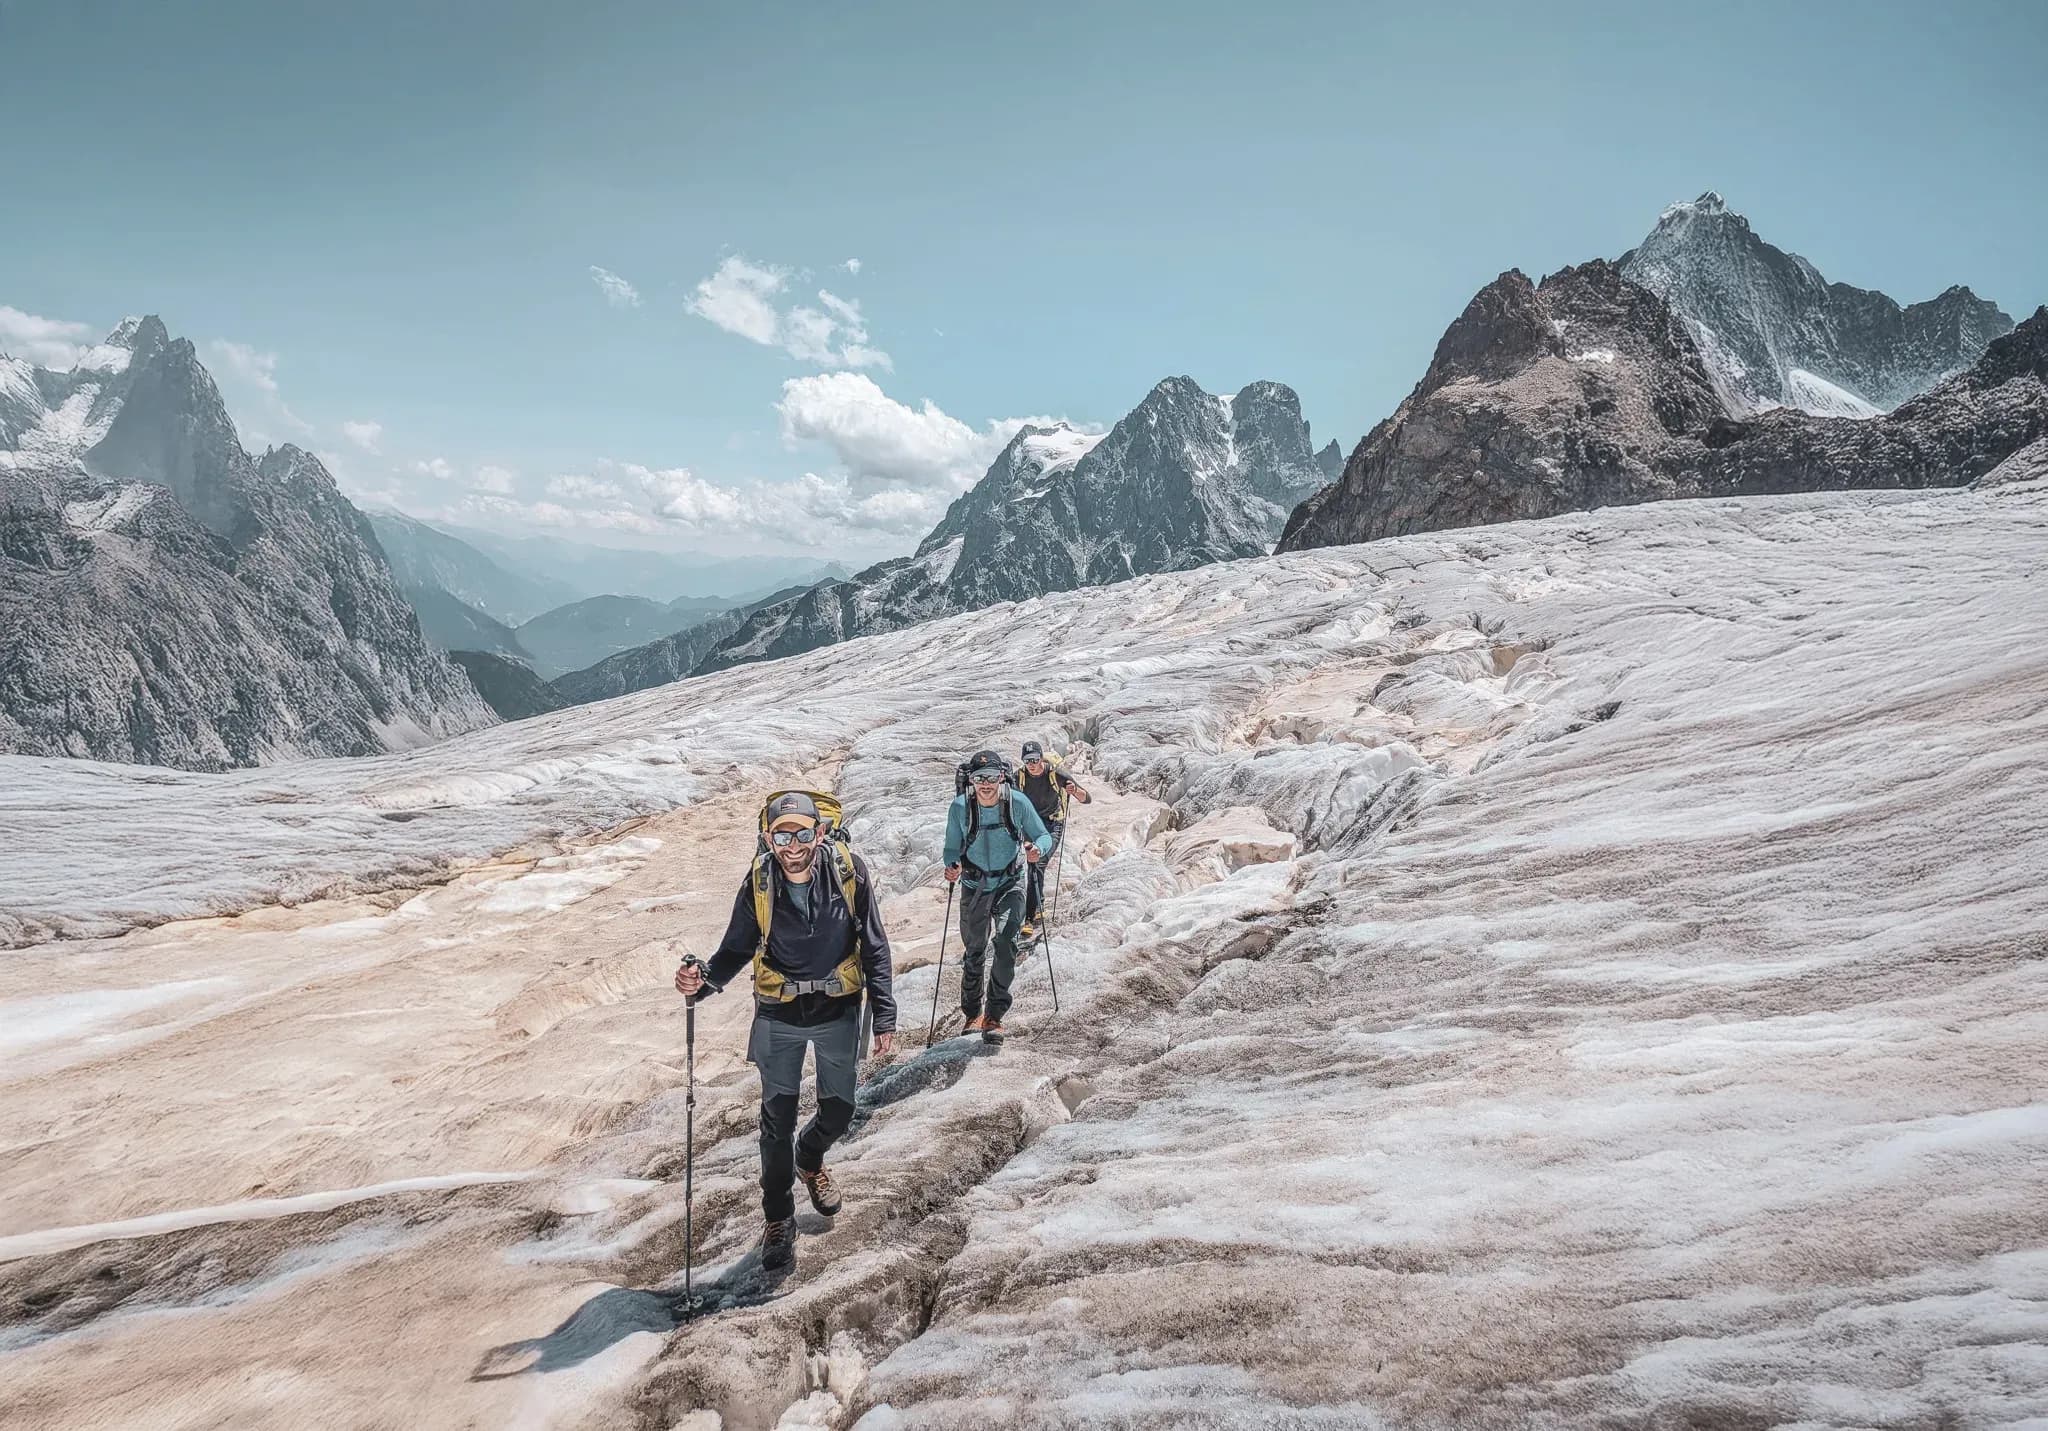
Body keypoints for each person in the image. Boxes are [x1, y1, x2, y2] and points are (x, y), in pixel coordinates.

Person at [673, 791, 895, 1272]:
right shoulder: (758, 883)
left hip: (837, 1006)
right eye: (781, 835)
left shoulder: (848, 872)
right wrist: (701, 983)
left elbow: (874, 944)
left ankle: (810, 1157)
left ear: (818, 832)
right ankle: (779, 1219)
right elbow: (734, 950)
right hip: (778, 1013)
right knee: (776, 1123)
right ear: (768, 839)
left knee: (838, 1112)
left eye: (800, 833)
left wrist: (885, 1015)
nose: (791, 845)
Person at [943, 749, 1054, 1046]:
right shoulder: (960, 808)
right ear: (972, 780)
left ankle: (994, 1015)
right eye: (980, 778)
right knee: (974, 950)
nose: (986, 783)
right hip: (974, 885)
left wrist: (1037, 850)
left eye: (991, 776)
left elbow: (1044, 836)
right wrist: (951, 865)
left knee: (1006, 942)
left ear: (1001, 776)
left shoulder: (1017, 803)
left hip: (1010, 882)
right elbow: (951, 848)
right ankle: (972, 1013)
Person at [1016, 739, 1090, 940]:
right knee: (1034, 865)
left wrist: (1075, 791)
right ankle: (1037, 906)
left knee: (1037, 861)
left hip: (1052, 824)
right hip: (1031, 825)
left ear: (1041, 758)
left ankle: (1029, 919)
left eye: (1035, 759)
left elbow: (1086, 798)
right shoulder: (1019, 777)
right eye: (1027, 760)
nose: (1031, 763)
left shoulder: (1055, 774)